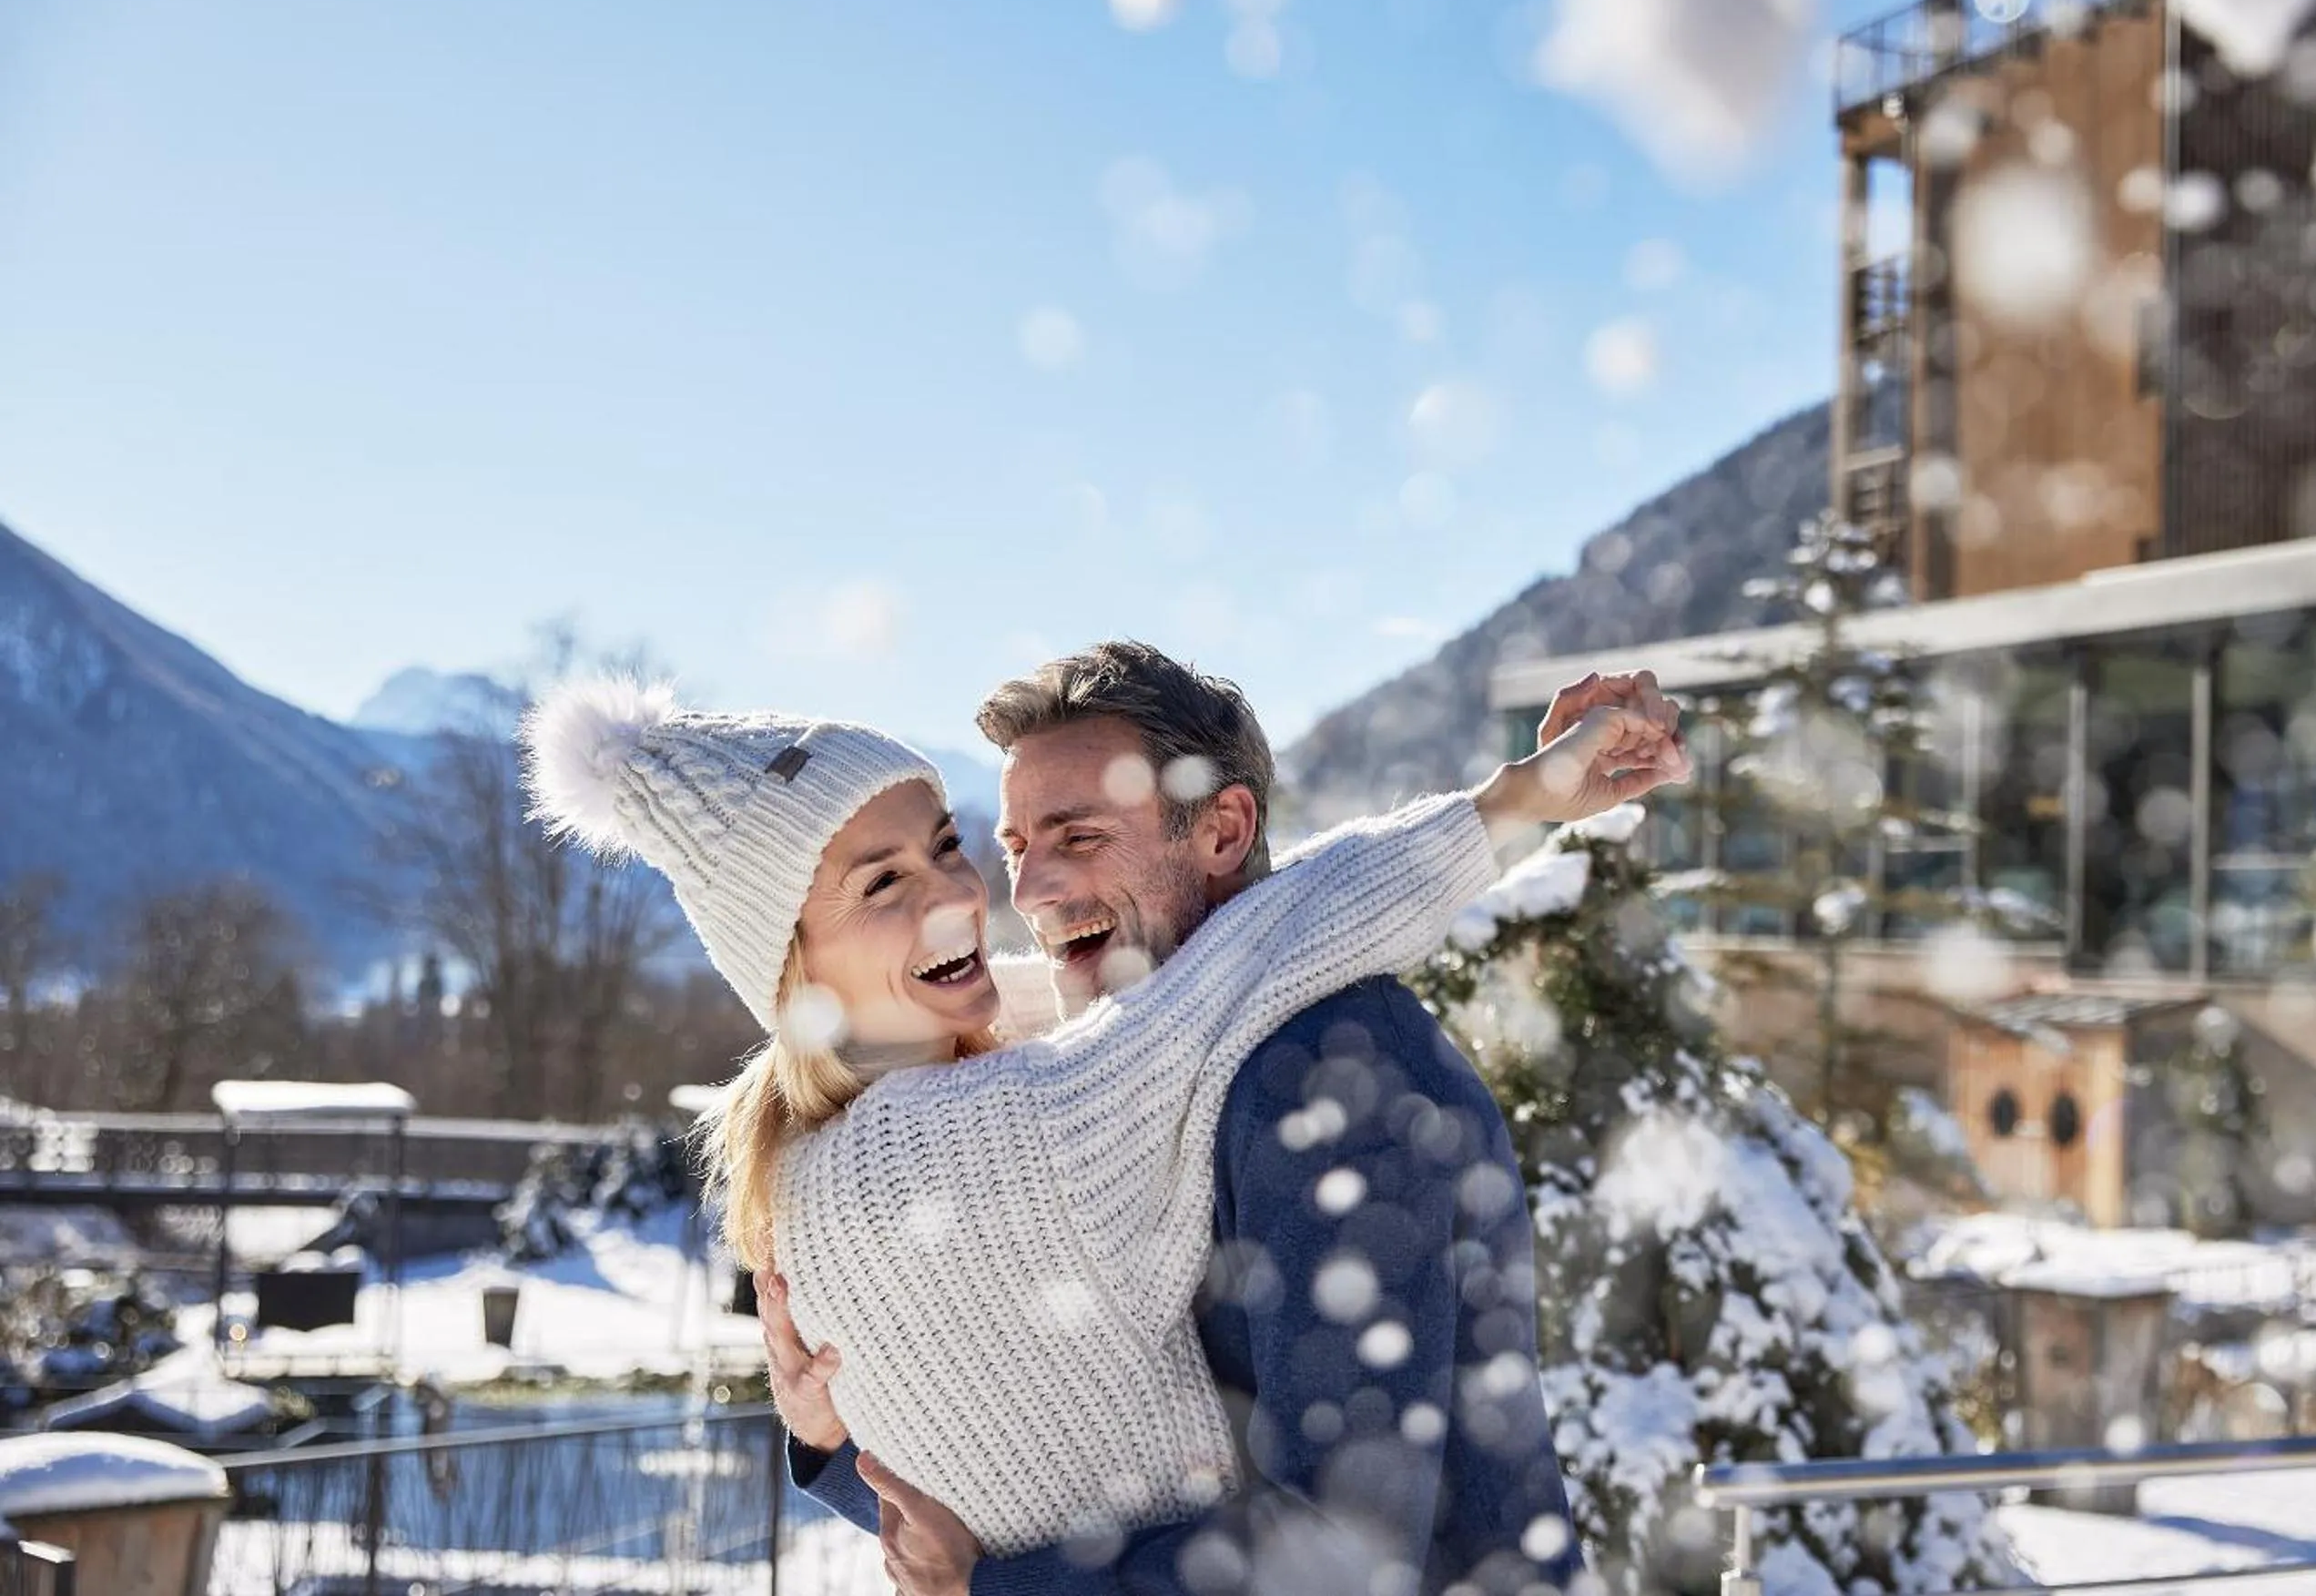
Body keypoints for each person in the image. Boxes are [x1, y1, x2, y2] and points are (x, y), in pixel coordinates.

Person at [523, 652, 1684, 1596]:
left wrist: (869, 1478)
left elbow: (1348, 1542)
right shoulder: (1050, 1095)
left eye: (1075, 837)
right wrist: (1518, 799)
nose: (1017, 897)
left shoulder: (1328, 1073)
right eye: (1017, 847)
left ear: (1224, 832)